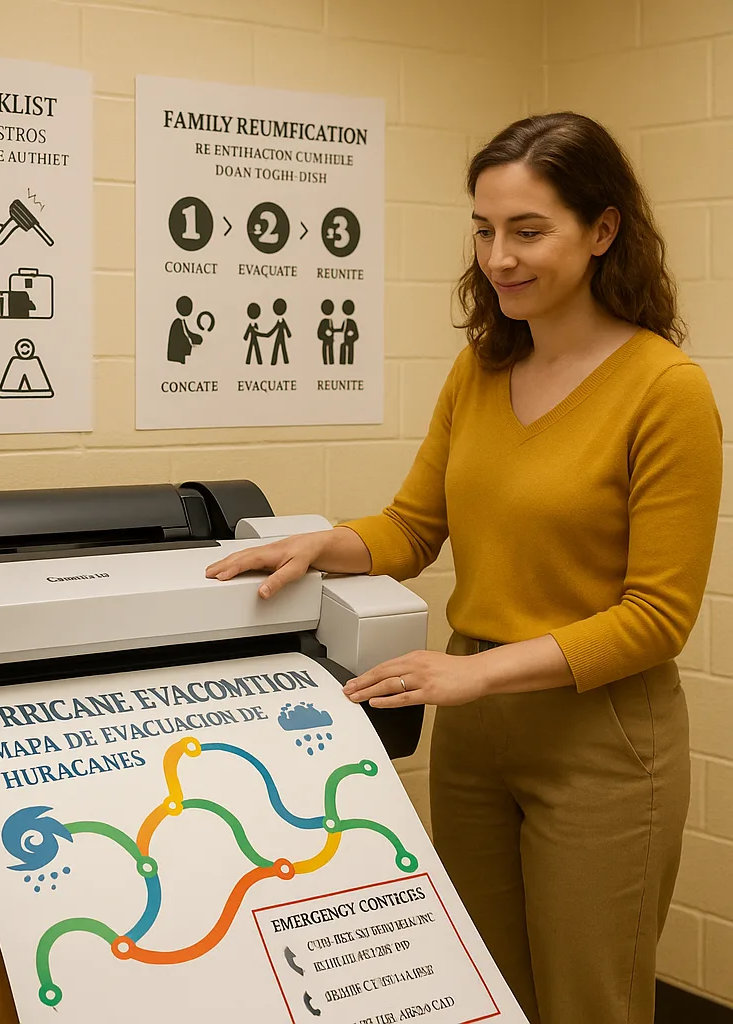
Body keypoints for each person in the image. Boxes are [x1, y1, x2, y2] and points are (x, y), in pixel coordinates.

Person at [205, 112, 722, 1024]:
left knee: (589, 1002)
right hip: (477, 732)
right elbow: (413, 527)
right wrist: (324, 542)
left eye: (528, 231)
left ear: (603, 232)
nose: (498, 257)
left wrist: (474, 672)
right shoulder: (480, 369)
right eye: (484, 230)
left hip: (599, 739)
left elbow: (657, 618)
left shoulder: (665, 389)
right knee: (486, 992)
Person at [270, 298, 292, 365]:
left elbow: (286, 328)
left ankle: (283, 361)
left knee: (281, 348)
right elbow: (274, 329)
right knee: (278, 348)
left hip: (281, 336)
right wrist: (268, 334)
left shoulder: (282, 322)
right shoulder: (279, 322)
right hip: (279, 336)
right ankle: (275, 361)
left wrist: (288, 334)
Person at [339, 299, 359, 365]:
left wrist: (351, 335)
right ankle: (342, 362)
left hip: (350, 340)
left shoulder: (352, 322)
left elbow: (356, 335)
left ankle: (350, 362)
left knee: (350, 350)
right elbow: (342, 330)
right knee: (342, 347)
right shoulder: (344, 322)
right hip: (344, 340)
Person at [318, 299, 337, 364]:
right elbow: (319, 334)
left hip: (331, 340)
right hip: (326, 340)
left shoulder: (331, 321)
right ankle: (325, 362)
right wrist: (325, 334)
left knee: (331, 353)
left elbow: (333, 330)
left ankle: (331, 362)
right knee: (325, 352)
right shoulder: (323, 322)